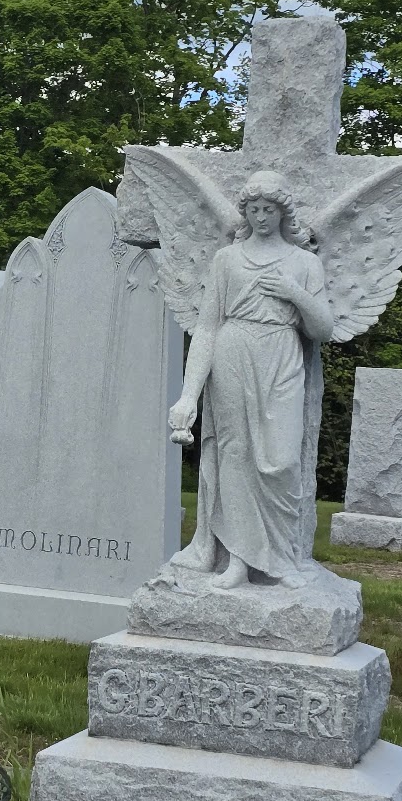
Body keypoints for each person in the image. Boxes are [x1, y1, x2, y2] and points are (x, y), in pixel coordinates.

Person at [167, 170, 334, 589]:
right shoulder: (228, 259)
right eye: (254, 209)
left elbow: (323, 329)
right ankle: (238, 561)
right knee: (235, 457)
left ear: (283, 212)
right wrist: (189, 396)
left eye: (269, 209)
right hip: (233, 351)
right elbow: (206, 328)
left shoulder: (304, 263)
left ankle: (284, 558)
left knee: (281, 461)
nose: (261, 217)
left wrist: (293, 292)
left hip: (281, 355)